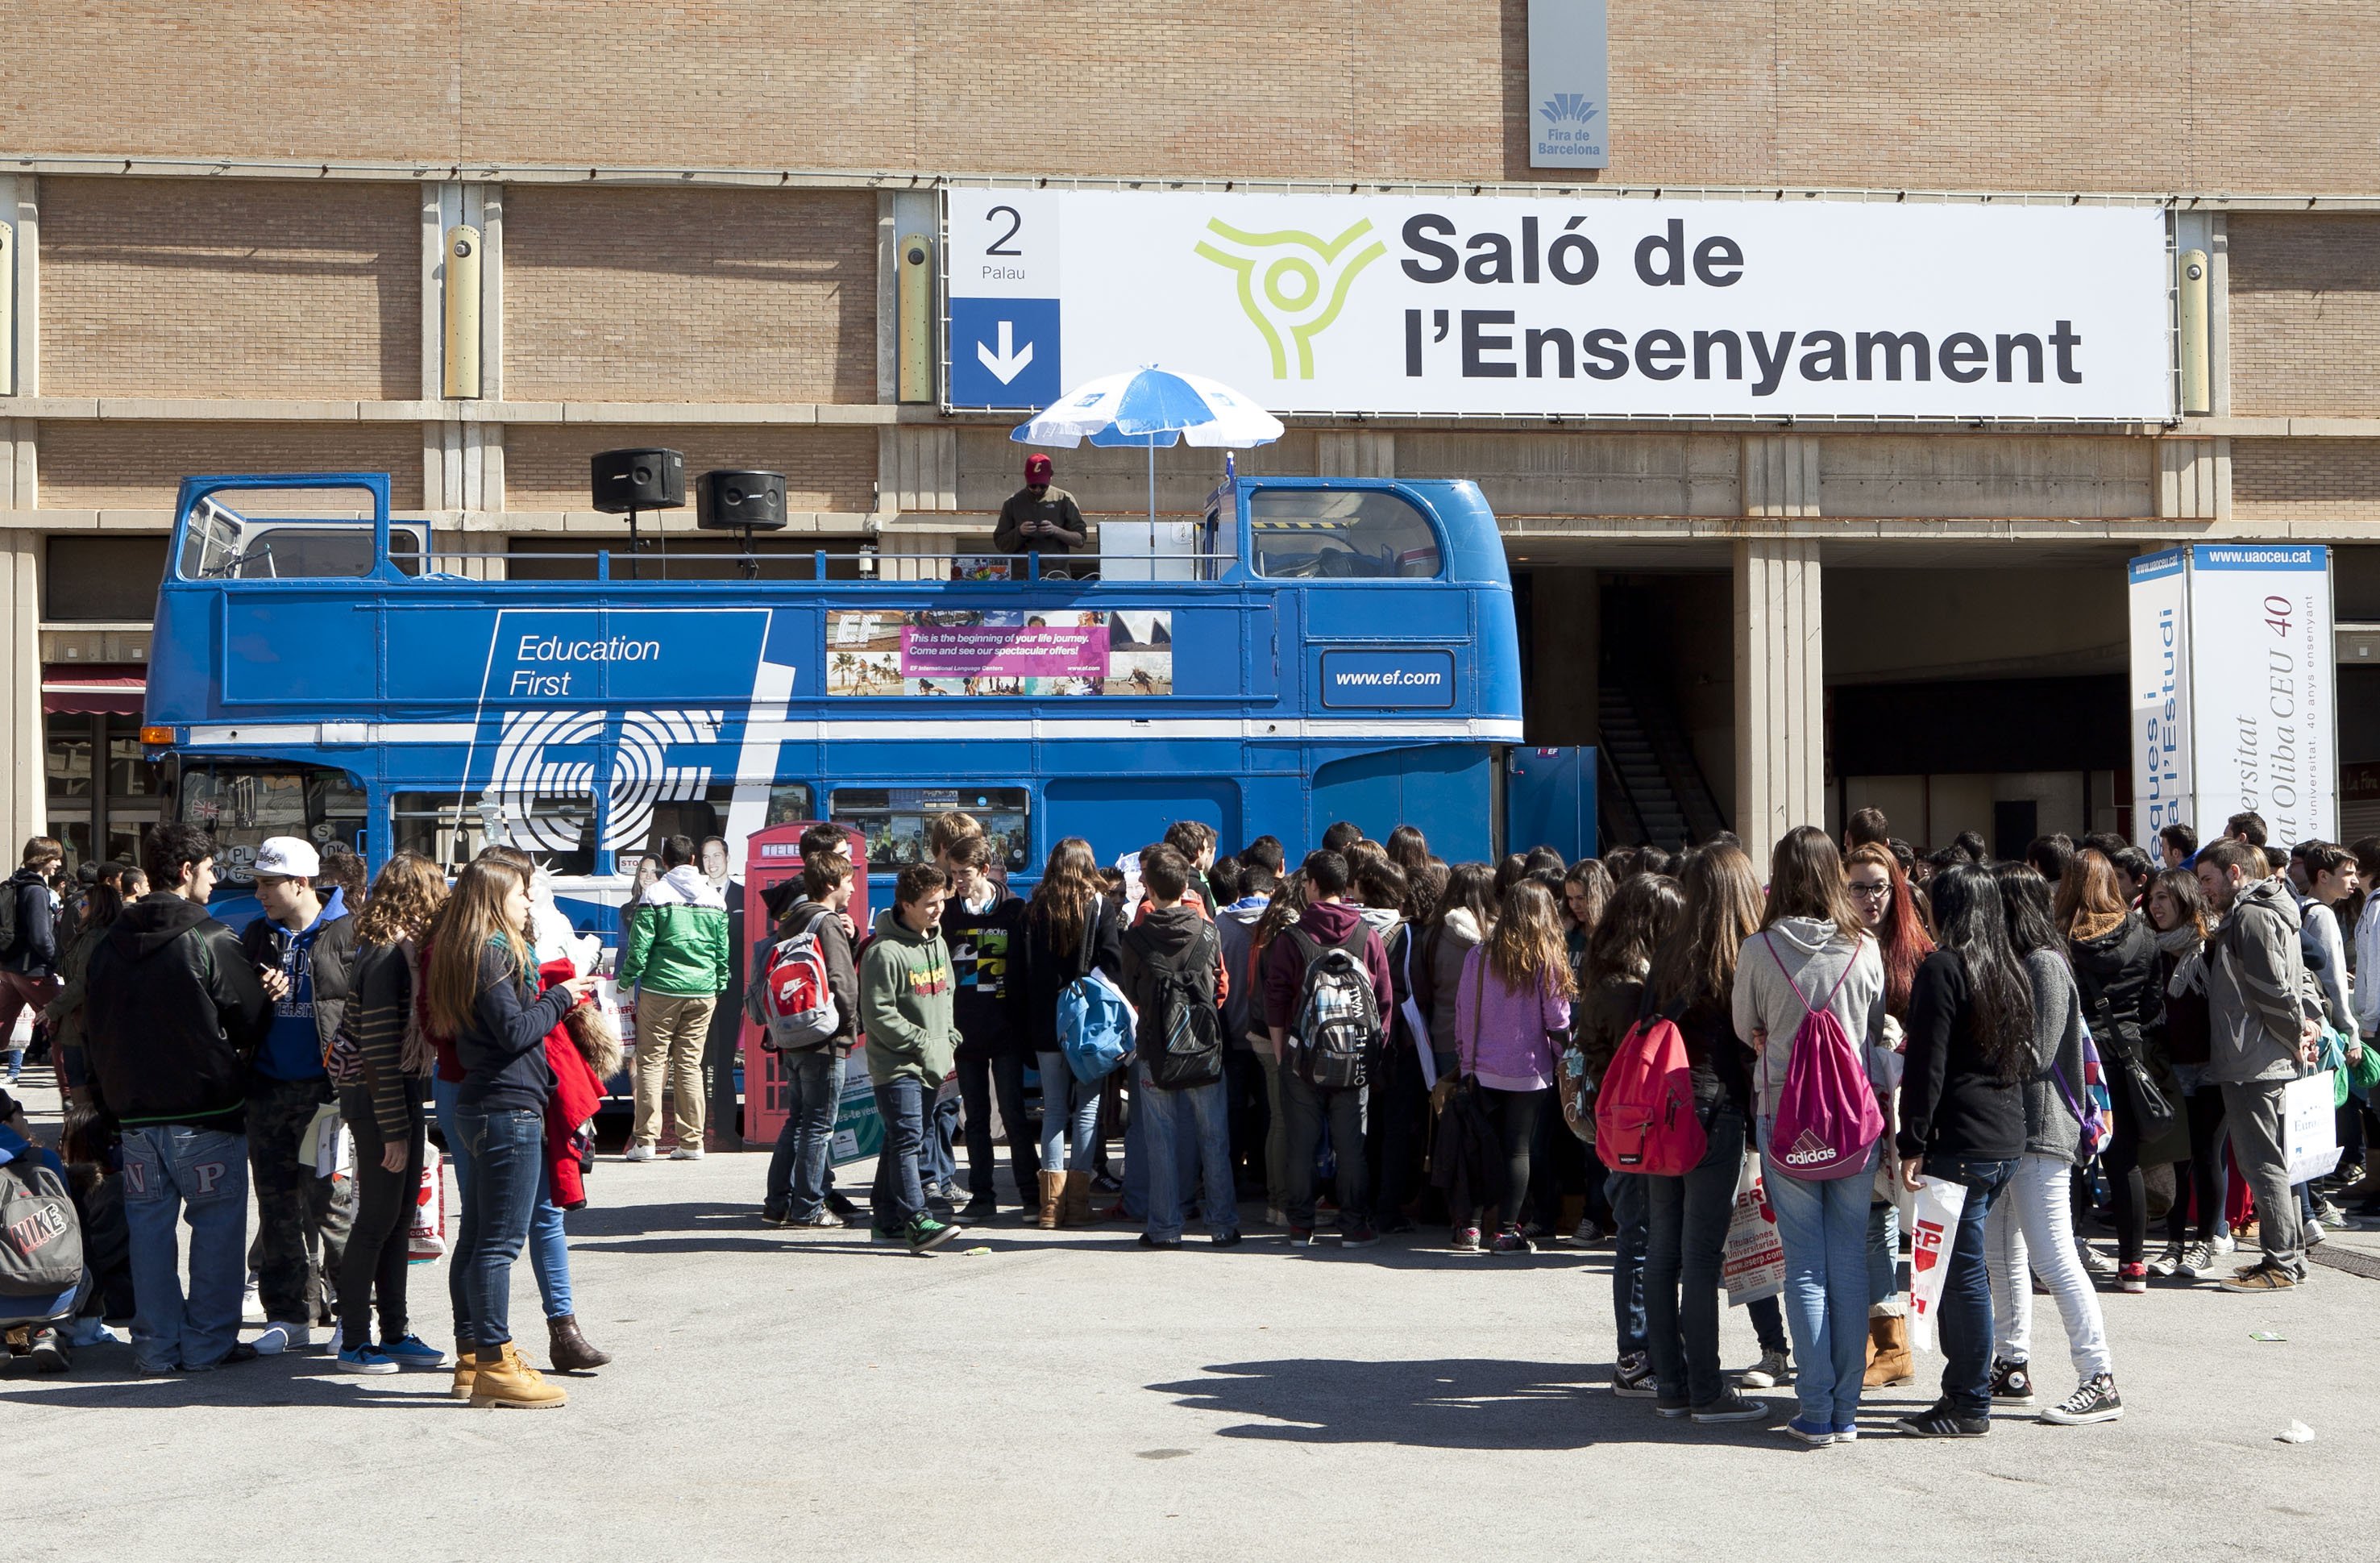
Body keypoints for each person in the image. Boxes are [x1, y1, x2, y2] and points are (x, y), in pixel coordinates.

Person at [85, 823, 274, 1375]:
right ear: (186, 870)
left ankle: (155, 1346)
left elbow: (93, 1027)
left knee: (148, 1230)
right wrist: (267, 996)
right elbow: (247, 1016)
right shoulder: (210, 936)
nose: (216, 881)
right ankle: (207, 1343)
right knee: (216, 1227)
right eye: (211, 869)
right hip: (206, 1109)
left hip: (137, 1114)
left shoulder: (108, 945)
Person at [1730, 826, 1888, 1446]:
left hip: (1784, 1118)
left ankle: (1815, 1409)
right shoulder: (1864, 947)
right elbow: (1872, 1026)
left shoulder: (1757, 948)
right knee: (1849, 1260)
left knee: (1803, 1265)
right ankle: (1846, 1411)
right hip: (1852, 1122)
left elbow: (1748, 1027)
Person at [427, 857, 596, 1408]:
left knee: (479, 1239)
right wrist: (561, 996)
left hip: (484, 1105)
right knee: (498, 1245)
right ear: (498, 896)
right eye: (523, 893)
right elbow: (515, 1030)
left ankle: (476, 1355)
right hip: (505, 1108)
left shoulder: (468, 949)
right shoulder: (493, 951)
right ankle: (496, 1360)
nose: (529, 902)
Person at [1983, 863, 2125, 1425]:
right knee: (2002, 1251)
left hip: (2041, 1129)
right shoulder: (2023, 963)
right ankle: (2009, 1363)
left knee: (2052, 1256)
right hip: (2010, 1129)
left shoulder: (2042, 964)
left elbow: (2035, 1053)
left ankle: (2099, 1376)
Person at [1893, 863, 2029, 1438]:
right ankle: (1969, 1389)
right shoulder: (2008, 966)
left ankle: (1968, 1398)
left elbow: (1928, 1062)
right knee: (1971, 1267)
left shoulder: (1943, 966)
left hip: (1960, 1141)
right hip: (2003, 1134)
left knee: (1960, 1272)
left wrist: (1911, 1140)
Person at [1638, 843, 1769, 1425]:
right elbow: (1747, 1048)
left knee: (1662, 1251)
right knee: (1700, 1256)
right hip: (1714, 1111)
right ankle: (1706, 1386)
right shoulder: (1740, 959)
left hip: (1661, 1113)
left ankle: (1670, 1381)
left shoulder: (1668, 953)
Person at [235, 836, 359, 1352]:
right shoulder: (254, 936)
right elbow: (235, 1015)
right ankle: (287, 1315)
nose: (259, 892)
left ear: (301, 883)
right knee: (277, 1206)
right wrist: (254, 999)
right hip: (267, 1089)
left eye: (268, 883)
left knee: (335, 1206)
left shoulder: (351, 932)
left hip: (327, 1093)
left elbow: (368, 1008)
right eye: (259, 882)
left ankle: (353, 1315)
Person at [332, 851, 450, 1375]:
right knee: (376, 1222)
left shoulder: (397, 949)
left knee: (398, 1220)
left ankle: (395, 1332)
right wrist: (396, 1132)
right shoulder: (384, 956)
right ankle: (356, 1340)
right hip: (378, 1097)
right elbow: (378, 1051)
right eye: (436, 890)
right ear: (417, 895)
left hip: (392, 1093)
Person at [2195, 838, 2321, 1291]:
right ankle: (2288, 1257)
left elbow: (2273, 988)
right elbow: (2300, 976)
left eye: (2208, 879)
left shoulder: (2250, 915)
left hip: (2254, 1059)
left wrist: (2297, 1034)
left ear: (2234, 872)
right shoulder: (2274, 909)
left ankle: (2280, 1263)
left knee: (2261, 1162)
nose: (2204, 889)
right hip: (2261, 1055)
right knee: (2272, 1162)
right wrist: (2309, 1025)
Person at [1572, 871, 1684, 1382]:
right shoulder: (1630, 987)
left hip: (1625, 1124)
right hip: (1638, 1126)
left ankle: (1645, 1346)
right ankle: (1636, 1351)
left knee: (1641, 1236)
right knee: (1639, 1237)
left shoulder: (1613, 972)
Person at [1265, 849, 1394, 1248]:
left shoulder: (1292, 938)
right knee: (1351, 1146)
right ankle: (1354, 1226)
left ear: (1314, 886)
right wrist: (1370, 1052)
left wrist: (1284, 1054)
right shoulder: (1367, 936)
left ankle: (1302, 1226)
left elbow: (1275, 1000)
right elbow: (1384, 1000)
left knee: (1302, 1145)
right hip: (1355, 1060)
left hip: (1303, 1058)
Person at [1844, 842, 1934, 1387]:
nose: (1868, 897)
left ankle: (1890, 1343)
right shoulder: (1841, 945)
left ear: (1895, 887)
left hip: (1900, 1109)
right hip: (1850, 1105)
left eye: (1877, 885)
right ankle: (1879, 1339)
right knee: (1867, 1226)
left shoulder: (1916, 950)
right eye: (1857, 886)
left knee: (1882, 1225)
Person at [1120, 846, 1240, 1249]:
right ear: (1186, 885)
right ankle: (1222, 1224)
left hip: (1156, 1049)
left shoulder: (1137, 937)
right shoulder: (1209, 930)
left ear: (1149, 889)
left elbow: (1131, 990)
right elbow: (1221, 987)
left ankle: (1165, 1228)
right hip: (1204, 1046)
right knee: (1214, 1137)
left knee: (1161, 1139)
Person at [1452, 878, 1578, 1257]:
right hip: (1528, 1069)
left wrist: (1464, 1061)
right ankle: (1506, 1232)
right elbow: (1557, 1020)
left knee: (1478, 1148)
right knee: (1516, 1151)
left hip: (1481, 1067)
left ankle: (1471, 1227)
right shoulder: (1546, 957)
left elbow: (1462, 1013)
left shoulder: (1478, 955)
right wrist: (1562, 1059)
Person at [2057, 849, 2163, 1295]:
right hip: (2127, 1052)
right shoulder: (2142, 933)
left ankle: (2064, 1259)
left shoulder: (2058, 936)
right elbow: (2156, 1006)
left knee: (2068, 1158)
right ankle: (2134, 1265)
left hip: (2074, 1054)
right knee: (2125, 1162)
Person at [1023, 838, 1123, 1227]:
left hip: (1047, 1021)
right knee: (1087, 1109)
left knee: (1053, 1112)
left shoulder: (1034, 909)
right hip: (1086, 1025)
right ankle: (1079, 1204)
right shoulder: (1098, 905)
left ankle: (1051, 1206)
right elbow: (1112, 964)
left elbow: (1026, 973)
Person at [757, 854, 859, 1228]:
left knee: (797, 1121)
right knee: (819, 1126)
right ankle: (809, 1207)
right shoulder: (826, 921)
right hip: (824, 1037)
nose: (852, 887)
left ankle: (777, 1203)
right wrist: (848, 1025)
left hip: (793, 1032)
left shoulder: (792, 920)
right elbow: (842, 980)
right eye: (848, 881)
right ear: (832, 884)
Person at [862, 864, 960, 1253]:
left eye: (940, 902)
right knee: (907, 1141)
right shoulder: (883, 952)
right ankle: (916, 1219)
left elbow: (948, 992)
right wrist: (923, 1041)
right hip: (898, 1065)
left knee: (902, 1139)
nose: (938, 910)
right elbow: (879, 1013)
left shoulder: (936, 942)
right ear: (906, 904)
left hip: (934, 1059)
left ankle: (885, 1220)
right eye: (929, 904)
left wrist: (949, 1036)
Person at [942, 833, 1039, 1220]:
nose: (958, 881)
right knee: (975, 1119)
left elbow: (1029, 970)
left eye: (964, 873)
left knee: (1015, 1116)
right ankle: (982, 1197)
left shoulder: (1015, 911)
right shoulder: (949, 913)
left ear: (984, 870)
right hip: (965, 1031)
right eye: (953, 874)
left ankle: (1031, 1196)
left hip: (1006, 1030)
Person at [620, 834, 731, 1162]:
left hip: (660, 990)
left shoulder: (654, 895)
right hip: (703, 992)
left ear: (665, 863)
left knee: (652, 1062)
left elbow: (639, 950)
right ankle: (692, 1142)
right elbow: (722, 953)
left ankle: (646, 1142)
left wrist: (626, 981)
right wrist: (719, 985)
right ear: (694, 860)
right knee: (690, 1065)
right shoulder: (715, 899)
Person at [2142, 867, 2221, 1278]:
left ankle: (2204, 1243)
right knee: (2176, 1159)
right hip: (2169, 1068)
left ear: (2185, 900)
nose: (2155, 906)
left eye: (2164, 898)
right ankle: (2174, 1244)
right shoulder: (2150, 949)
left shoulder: (2212, 944)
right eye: (2152, 898)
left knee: (2207, 1155)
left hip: (2214, 1066)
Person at [42, 867, 143, 1109]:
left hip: (84, 1021)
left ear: (97, 907)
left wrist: (51, 1009)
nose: (81, 907)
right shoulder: (99, 934)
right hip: (90, 1020)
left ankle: (84, 1135)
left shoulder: (95, 937)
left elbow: (81, 981)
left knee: (80, 1079)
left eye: (85, 902)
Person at [1240, 871, 1308, 1225]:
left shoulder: (1269, 923)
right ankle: (1281, 1203)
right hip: (1275, 1036)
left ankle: (1275, 1201)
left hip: (1262, 1033)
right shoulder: (1288, 930)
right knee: (1283, 1121)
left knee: (1277, 1120)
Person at [698, 833, 748, 1154]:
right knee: (699, 1061)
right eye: (706, 857)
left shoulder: (745, 896)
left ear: (728, 858)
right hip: (702, 989)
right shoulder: (697, 896)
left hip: (732, 992)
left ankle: (728, 1128)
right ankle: (700, 1126)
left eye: (717, 856)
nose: (712, 863)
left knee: (725, 1059)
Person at [2, 836, 66, 1083]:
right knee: (63, 1025)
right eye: (55, 858)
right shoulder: (37, 890)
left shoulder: (12, 884)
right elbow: (41, 937)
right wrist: (56, 962)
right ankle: (71, 1093)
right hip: (34, 971)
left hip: (8, 968)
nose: (58, 864)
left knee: (1, 1024)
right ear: (43, 859)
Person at [2294, 842, 2357, 1035]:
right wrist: (2349, 1029)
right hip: (2322, 1023)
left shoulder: (2297, 904)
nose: (2354, 880)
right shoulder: (2321, 914)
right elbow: (2332, 977)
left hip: (2303, 1015)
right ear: (2323, 876)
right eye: (2347, 874)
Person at [994, 453, 1087, 560]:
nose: (1038, 489)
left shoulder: (1064, 499)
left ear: (1051, 477)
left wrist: (1056, 531)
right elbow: (1000, 544)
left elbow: (1080, 540)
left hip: (1056, 573)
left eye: (1043, 486)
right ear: (1026, 477)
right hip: (1023, 574)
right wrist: (1020, 532)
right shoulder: (1012, 503)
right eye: (1033, 486)